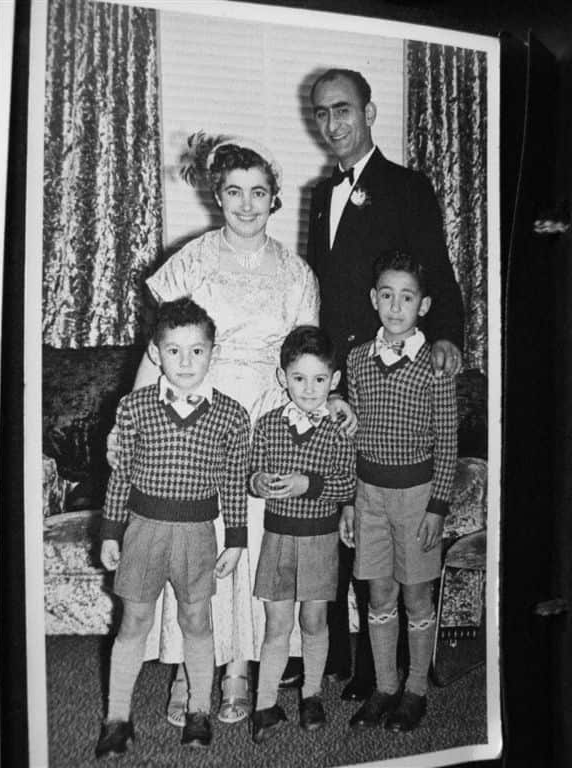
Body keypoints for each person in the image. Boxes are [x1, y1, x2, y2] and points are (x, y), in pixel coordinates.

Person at [118, 134, 324, 725]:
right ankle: (188, 670)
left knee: (253, 541)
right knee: (197, 538)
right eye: (235, 191)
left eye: (258, 192)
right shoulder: (193, 258)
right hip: (195, 408)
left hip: (266, 413)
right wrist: (131, 419)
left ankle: (239, 671)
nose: (246, 204)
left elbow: (306, 357)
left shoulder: (295, 272)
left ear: (273, 199)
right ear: (219, 196)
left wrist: (318, 417)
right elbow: (160, 348)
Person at [305, 67, 464, 699]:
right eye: (321, 113)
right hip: (343, 376)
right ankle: (351, 661)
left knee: (391, 547)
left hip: (389, 371)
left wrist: (448, 332)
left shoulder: (406, 185)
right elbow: (322, 289)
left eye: (343, 109)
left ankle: (390, 674)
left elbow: (436, 267)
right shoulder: (322, 192)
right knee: (353, 525)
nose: (332, 123)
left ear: (369, 113)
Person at [95, 298, 250, 757]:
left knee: (196, 620)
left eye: (197, 351)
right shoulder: (133, 407)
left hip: (197, 535)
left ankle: (199, 710)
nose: (186, 362)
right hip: (143, 531)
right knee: (134, 621)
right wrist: (109, 529)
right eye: (174, 350)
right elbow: (120, 473)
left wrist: (237, 540)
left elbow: (233, 482)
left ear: (212, 353)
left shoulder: (231, 415)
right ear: (155, 352)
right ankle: (117, 718)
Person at [341, 251, 457, 732]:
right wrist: (348, 498)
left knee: (415, 596)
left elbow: (447, 441)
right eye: (386, 295)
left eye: (406, 297)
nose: (395, 306)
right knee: (379, 592)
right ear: (374, 299)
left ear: (423, 305)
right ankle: (385, 686)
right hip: (369, 495)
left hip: (416, 498)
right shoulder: (357, 361)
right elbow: (350, 433)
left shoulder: (435, 365)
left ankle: (414, 690)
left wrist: (437, 506)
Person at [248, 326, 356, 743]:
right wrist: (258, 480)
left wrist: (306, 484)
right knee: (277, 622)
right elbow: (251, 471)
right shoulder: (269, 424)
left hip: (319, 540)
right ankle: (264, 703)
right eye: (298, 378)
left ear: (335, 381)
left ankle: (311, 695)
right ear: (282, 378)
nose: (309, 389)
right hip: (278, 539)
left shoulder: (337, 429)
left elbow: (346, 484)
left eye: (319, 379)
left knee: (313, 618)